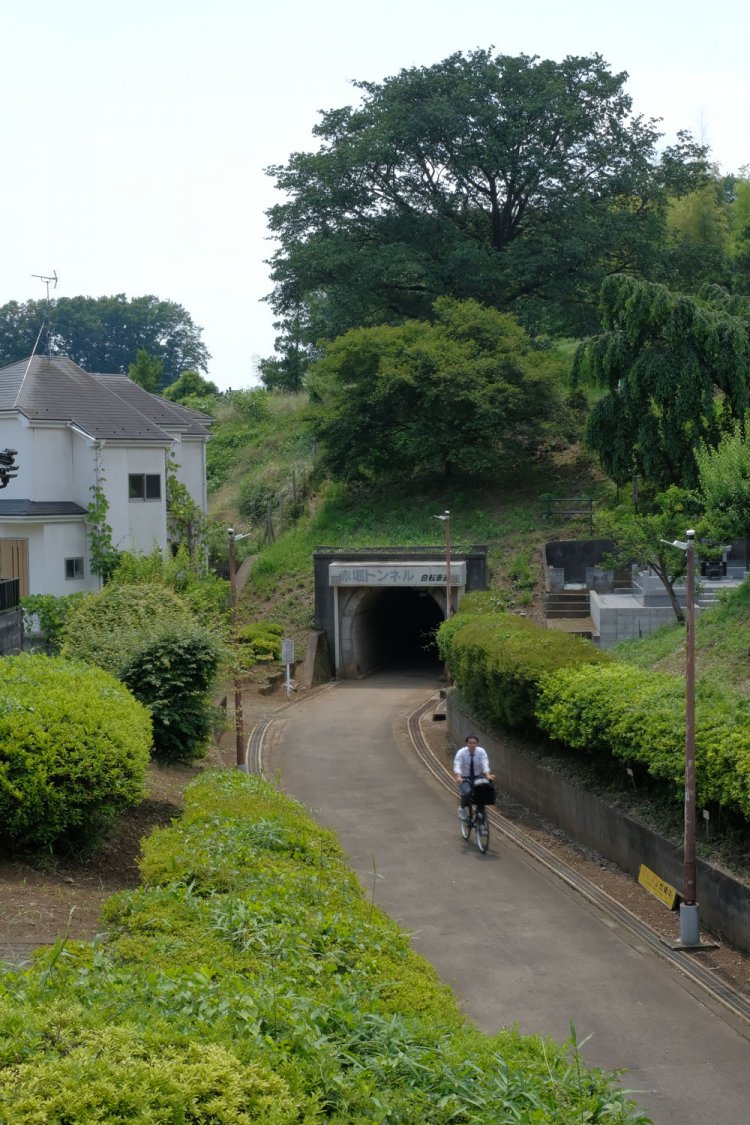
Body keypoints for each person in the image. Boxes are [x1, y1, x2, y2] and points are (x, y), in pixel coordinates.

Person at [453, 734, 494, 820]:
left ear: (477, 744)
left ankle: (479, 808)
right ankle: (461, 807)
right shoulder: (461, 752)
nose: (472, 745)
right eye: (470, 743)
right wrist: (458, 776)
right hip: (464, 777)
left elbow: (485, 763)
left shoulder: (481, 751)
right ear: (467, 744)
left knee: (484, 790)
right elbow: (457, 764)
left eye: (474, 743)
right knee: (466, 792)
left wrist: (488, 775)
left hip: (477, 777)